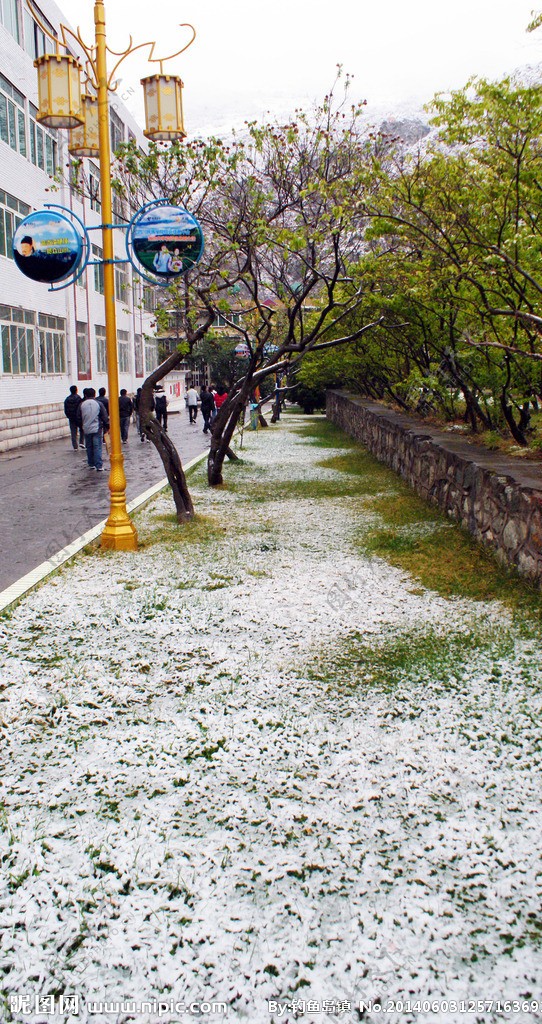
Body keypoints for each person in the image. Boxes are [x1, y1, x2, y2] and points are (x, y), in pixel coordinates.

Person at [77, 387, 109, 471]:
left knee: (89, 446)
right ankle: (99, 465)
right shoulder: (98, 403)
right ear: (94, 394)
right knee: (97, 446)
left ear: (85, 395)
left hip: (86, 428)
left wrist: (81, 427)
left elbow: (78, 417)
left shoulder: (82, 404)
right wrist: (107, 426)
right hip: (97, 428)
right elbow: (104, 416)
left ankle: (91, 463)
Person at [63, 385, 85, 450]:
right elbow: (81, 407)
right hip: (78, 417)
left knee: (73, 432)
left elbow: (66, 409)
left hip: (71, 418)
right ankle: (81, 442)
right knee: (81, 430)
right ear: (76, 390)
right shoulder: (79, 398)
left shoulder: (67, 399)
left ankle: (75, 446)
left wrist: (68, 416)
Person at [97, 387, 110, 455]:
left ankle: (99, 440)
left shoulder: (96, 400)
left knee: (99, 430)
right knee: (105, 429)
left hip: (98, 417)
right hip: (105, 416)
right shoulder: (106, 400)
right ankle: (104, 440)